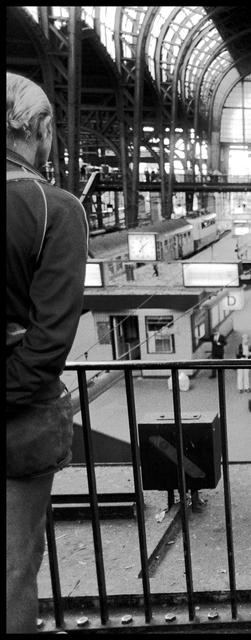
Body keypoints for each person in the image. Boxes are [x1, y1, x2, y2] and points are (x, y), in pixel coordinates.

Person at [6, 72, 89, 634]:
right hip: (19, 422)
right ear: (38, 127)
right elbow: (49, 342)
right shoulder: (54, 208)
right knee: (14, 567)